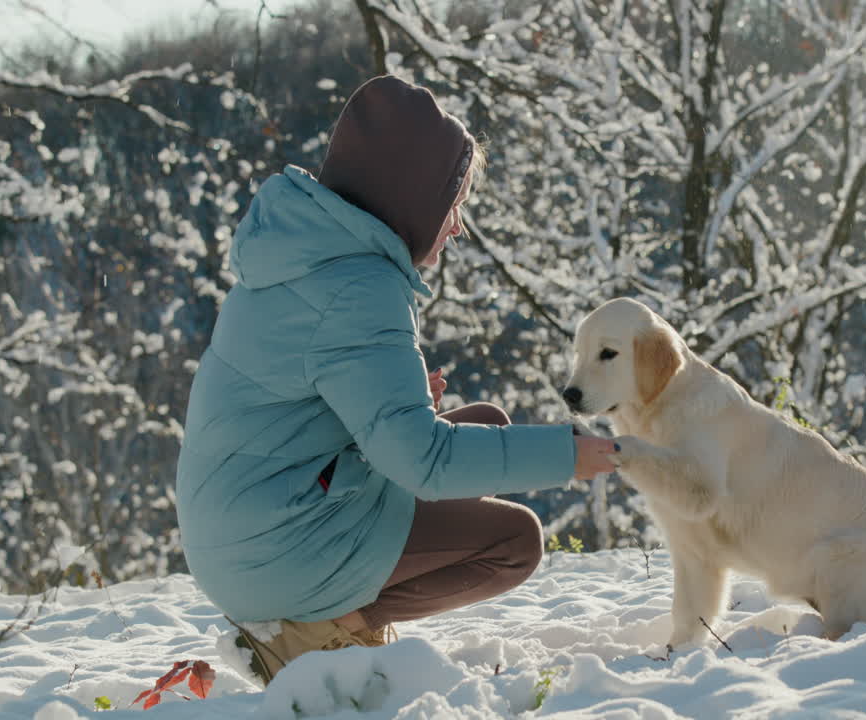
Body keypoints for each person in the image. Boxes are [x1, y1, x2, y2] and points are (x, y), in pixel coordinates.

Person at [174, 75, 617, 686]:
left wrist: (394, 404)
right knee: (516, 542)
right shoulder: (361, 288)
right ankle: (311, 633)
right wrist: (568, 454)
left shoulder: (305, 252)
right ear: (414, 198)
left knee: (488, 424)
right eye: (453, 205)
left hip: (244, 526)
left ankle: (307, 614)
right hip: (276, 551)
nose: (457, 227)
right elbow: (425, 463)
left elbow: (298, 402)